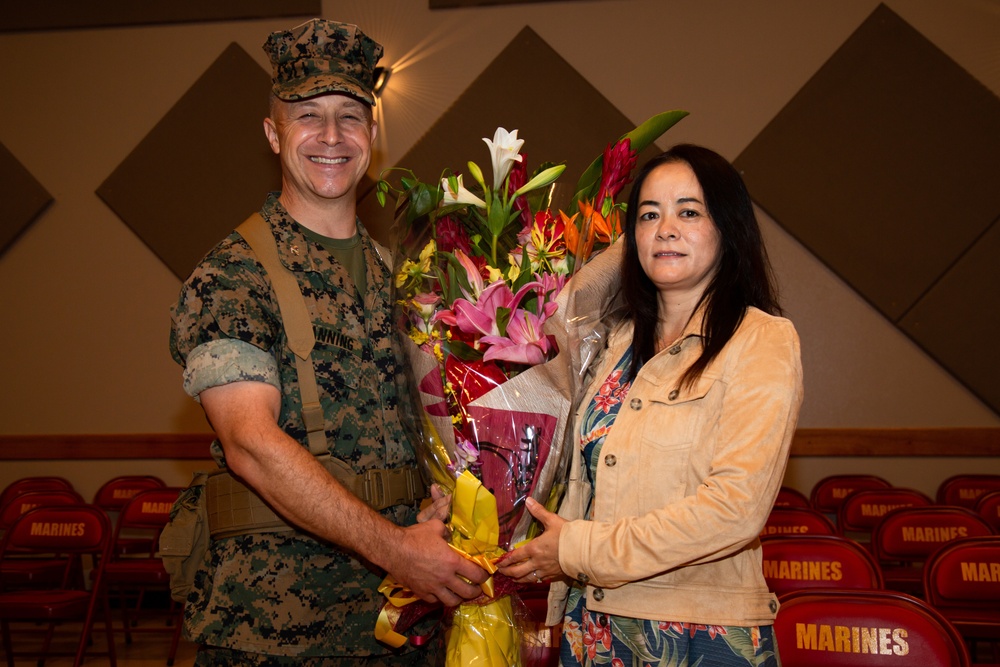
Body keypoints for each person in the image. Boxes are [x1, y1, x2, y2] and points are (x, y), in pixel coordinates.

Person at [169, 18, 487, 665]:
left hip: (402, 620)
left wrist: (447, 493)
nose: (332, 136)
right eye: (308, 114)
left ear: (372, 134)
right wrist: (398, 550)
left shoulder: (398, 277)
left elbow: (423, 425)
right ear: (272, 132)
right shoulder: (232, 274)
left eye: (350, 115)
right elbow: (251, 445)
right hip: (282, 628)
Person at [499, 144, 804, 666]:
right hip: (590, 624)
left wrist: (575, 550)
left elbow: (735, 510)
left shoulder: (762, 340)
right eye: (648, 215)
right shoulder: (609, 344)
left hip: (699, 632)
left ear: (728, 229)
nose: (665, 228)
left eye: (689, 211)